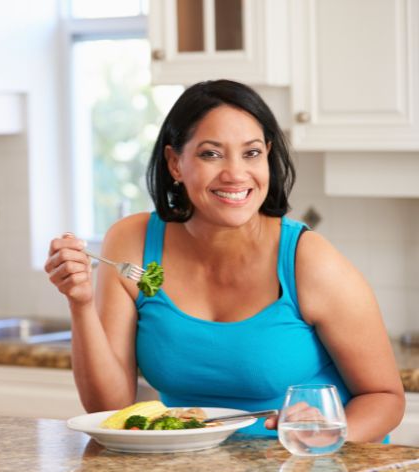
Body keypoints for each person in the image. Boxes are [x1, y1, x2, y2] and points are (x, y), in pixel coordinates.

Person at [45, 79, 404, 441]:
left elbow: (385, 398)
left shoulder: (307, 260)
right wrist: (81, 303)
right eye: (211, 154)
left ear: (267, 155)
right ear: (174, 163)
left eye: (251, 153)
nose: (235, 174)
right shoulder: (131, 242)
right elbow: (109, 406)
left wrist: (326, 436)